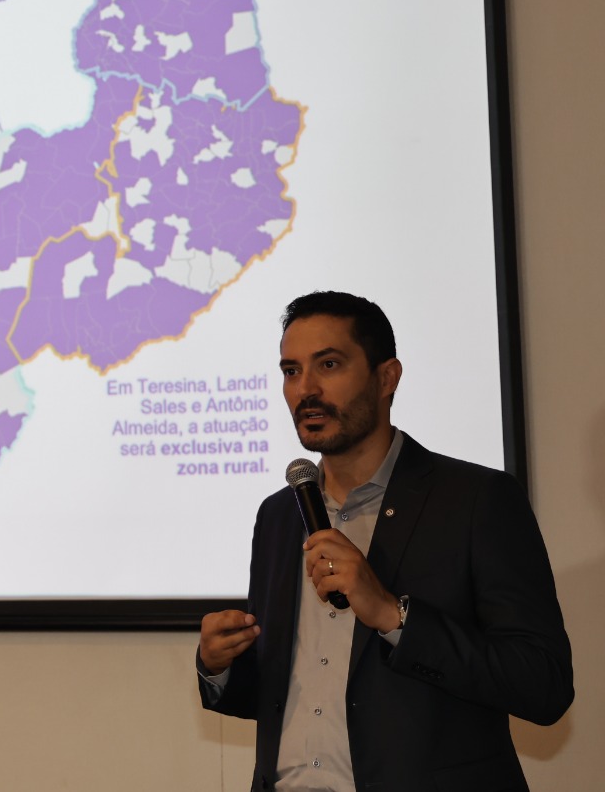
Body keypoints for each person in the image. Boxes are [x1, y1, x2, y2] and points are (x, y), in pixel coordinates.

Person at [196, 291, 572, 791]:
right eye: (291, 371)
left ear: (386, 378)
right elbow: (289, 699)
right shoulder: (279, 516)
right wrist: (219, 666)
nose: (305, 389)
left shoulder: (476, 500)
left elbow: (543, 685)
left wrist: (396, 616)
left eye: (328, 364)